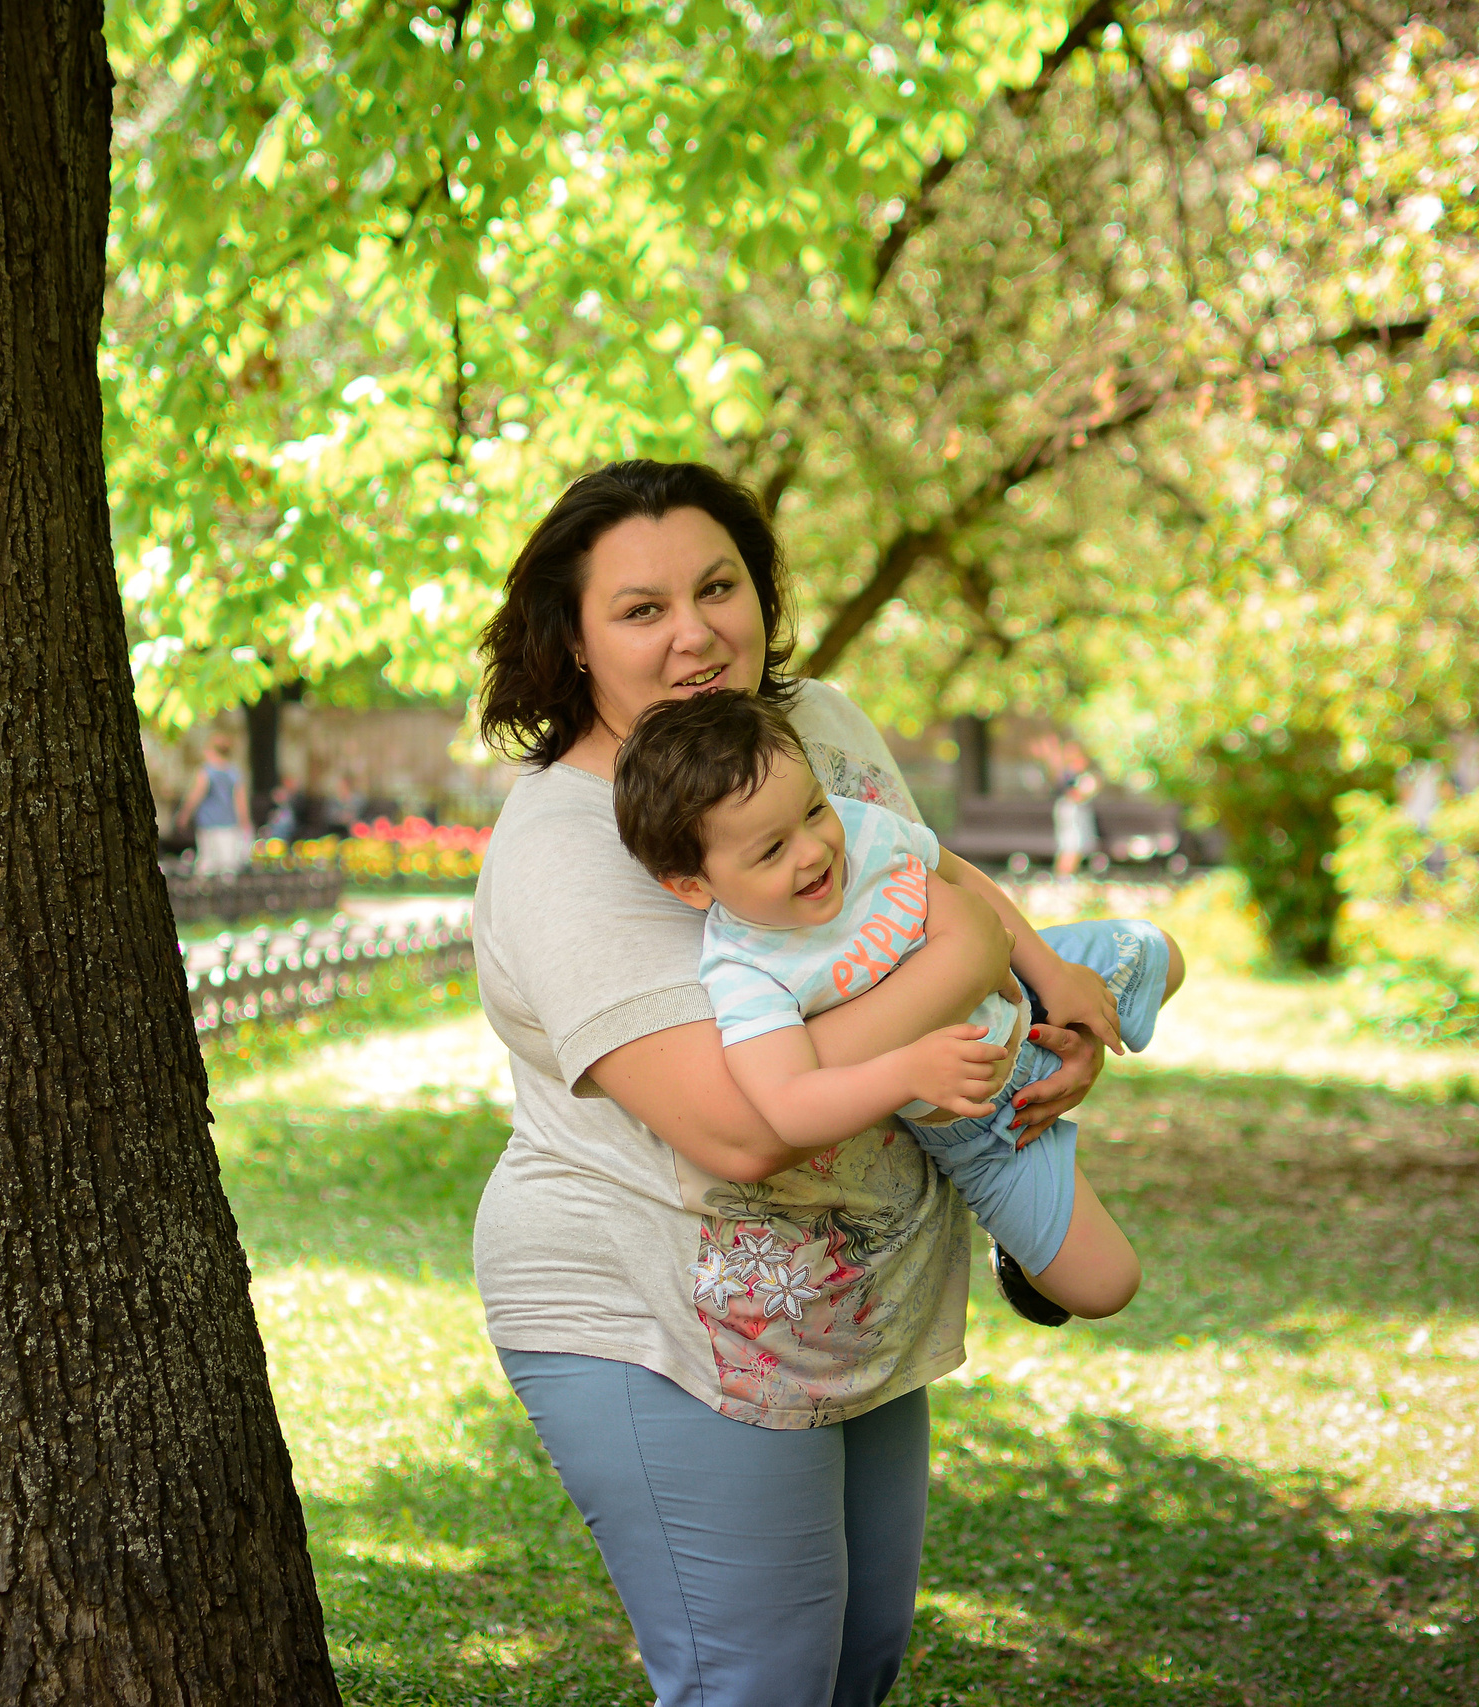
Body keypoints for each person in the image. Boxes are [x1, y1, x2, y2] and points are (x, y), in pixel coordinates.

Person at [469, 460, 1118, 1707]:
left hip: (849, 1296)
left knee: (854, 1668)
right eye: (642, 609)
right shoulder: (565, 842)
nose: (696, 632)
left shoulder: (816, 723)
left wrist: (1044, 991)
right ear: (574, 641)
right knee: (757, 1683)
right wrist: (966, 965)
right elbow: (736, 1127)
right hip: (658, 1306)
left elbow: (920, 879)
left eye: (718, 588)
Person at [612, 690, 1179, 1325]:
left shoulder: (858, 828)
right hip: (984, 1121)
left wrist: (1054, 973)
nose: (813, 850)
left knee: (1161, 953)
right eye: (771, 850)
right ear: (693, 885)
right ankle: (1024, 1246)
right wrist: (905, 1074)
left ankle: (1071, 1044)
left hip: (1021, 987)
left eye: (813, 810)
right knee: (1106, 1286)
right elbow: (789, 1104)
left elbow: (956, 874)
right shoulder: (746, 969)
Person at [179, 730, 251, 876]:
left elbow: (195, 795)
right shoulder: (234, 773)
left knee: (207, 862)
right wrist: (245, 823)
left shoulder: (206, 772)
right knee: (228, 865)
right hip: (229, 824)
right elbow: (241, 802)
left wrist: (184, 814)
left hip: (208, 824)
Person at [1051, 763, 1101, 879]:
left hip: (1075, 833)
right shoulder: (1068, 806)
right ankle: (1063, 876)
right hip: (1071, 833)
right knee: (1069, 851)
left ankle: (1067, 876)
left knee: (1074, 851)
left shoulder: (1074, 805)